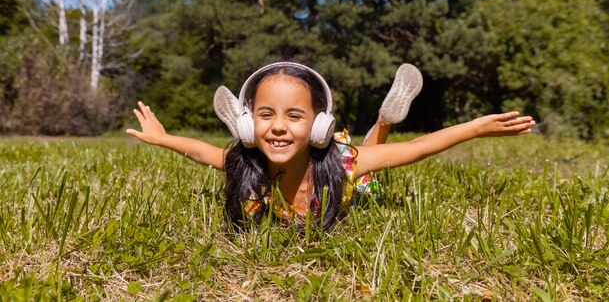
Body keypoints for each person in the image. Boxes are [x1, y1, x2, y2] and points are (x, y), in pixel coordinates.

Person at [127, 62, 534, 230]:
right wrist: (163, 140)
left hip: (345, 175)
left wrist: (474, 128)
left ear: (320, 124)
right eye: (265, 115)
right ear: (251, 126)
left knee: (372, 174)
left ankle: (385, 119)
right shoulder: (246, 165)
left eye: (294, 116)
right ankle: (244, 113)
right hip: (289, 154)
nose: (280, 128)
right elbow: (203, 152)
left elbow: (417, 150)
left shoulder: (343, 163)